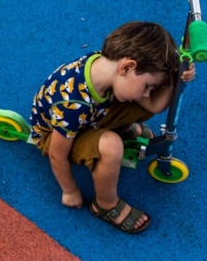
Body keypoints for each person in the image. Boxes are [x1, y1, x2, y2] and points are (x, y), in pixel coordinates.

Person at [29, 21, 195, 234]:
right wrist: (69, 190)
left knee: (136, 104)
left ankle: (120, 128)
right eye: (147, 86)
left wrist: (177, 75)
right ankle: (105, 204)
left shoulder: (107, 68)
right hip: (54, 135)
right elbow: (56, 155)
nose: (147, 93)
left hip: (90, 117)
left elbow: (155, 105)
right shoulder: (72, 104)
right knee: (111, 146)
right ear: (127, 67)